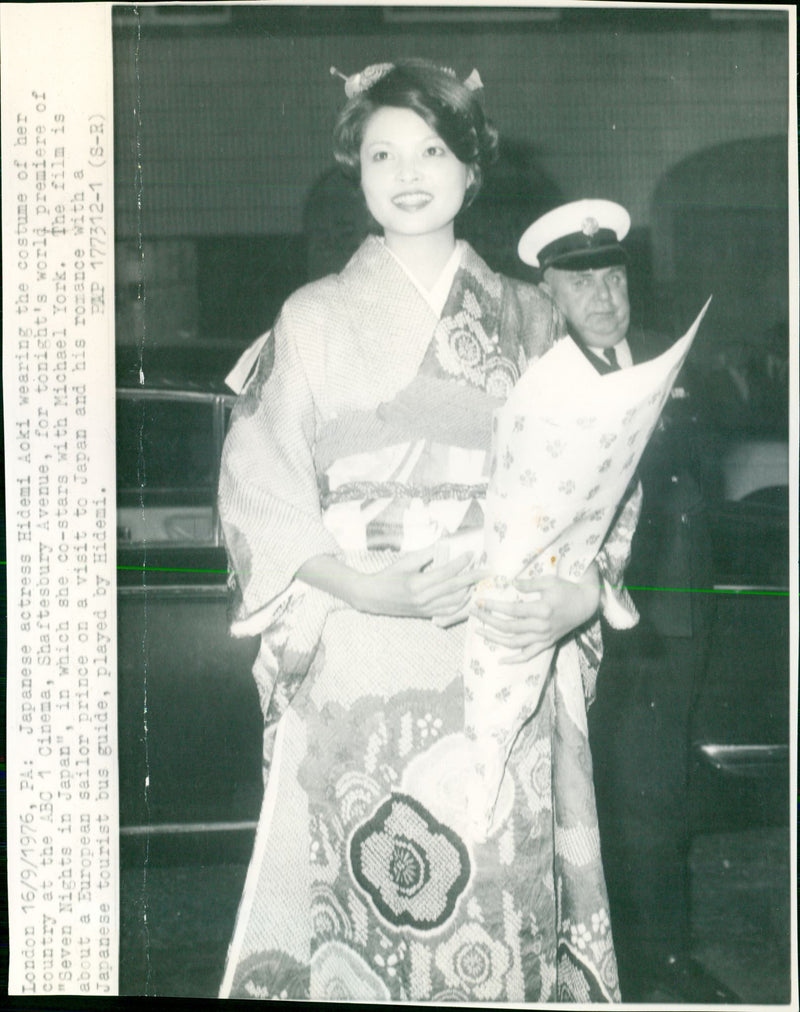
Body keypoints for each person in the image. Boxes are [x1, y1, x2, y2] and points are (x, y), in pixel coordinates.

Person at [217, 65, 639, 1003]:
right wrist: (363, 587)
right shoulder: (313, 316)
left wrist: (581, 591)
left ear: (472, 166)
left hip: (502, 648)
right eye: (381, 153)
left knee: (503, 897)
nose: (407, 172)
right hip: (361, 649)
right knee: (360, 901)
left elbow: (607, 479)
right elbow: (258, 484)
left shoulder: (533, 319)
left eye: (433, 150)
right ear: (354, 170)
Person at [518, 199, 740, 1003]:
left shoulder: (668, 361)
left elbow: (695, 483)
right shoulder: (537, 379)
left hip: (668, 619)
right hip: (576, 626)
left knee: (659, 796)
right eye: (581, 285)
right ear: (547, 293)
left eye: (613, 277)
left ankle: (662, 966)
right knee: (583, 802)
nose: (605, 297)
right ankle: (599, 968)